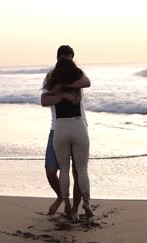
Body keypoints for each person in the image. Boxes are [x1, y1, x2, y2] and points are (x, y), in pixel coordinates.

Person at [40, 45, 91, 222]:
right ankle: (62, 197)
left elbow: (86, 82)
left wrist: (64, 86)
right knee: (51, 171)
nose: (68, 61)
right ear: (59, 58)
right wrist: (63, 95)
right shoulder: (51, 76)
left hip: (77, 124)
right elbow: (44, 100)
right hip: (57, 129)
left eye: (70, 58)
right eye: (66, 58)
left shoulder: (77, 73)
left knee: (77, 172)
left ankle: (75, 209)